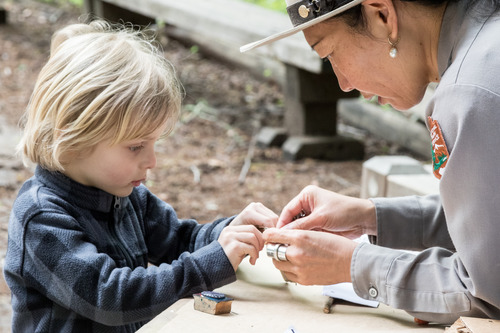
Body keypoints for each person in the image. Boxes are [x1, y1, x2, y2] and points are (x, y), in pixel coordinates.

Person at [4, 20, 278, 332]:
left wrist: (231, 233)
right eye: (135, 147)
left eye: (152, 144)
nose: (152, 161)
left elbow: (180, 240)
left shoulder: (126, 195)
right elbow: (110, 296)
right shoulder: (41, 218)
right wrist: (207, 265)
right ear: (74, 138)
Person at [241, 0, 500, 325]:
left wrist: (350, 264)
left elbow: (486, 290)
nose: (344, 83)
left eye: (330, 53)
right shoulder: (487, 43)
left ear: (382, 15)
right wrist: (370, 217)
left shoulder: (469, 93)